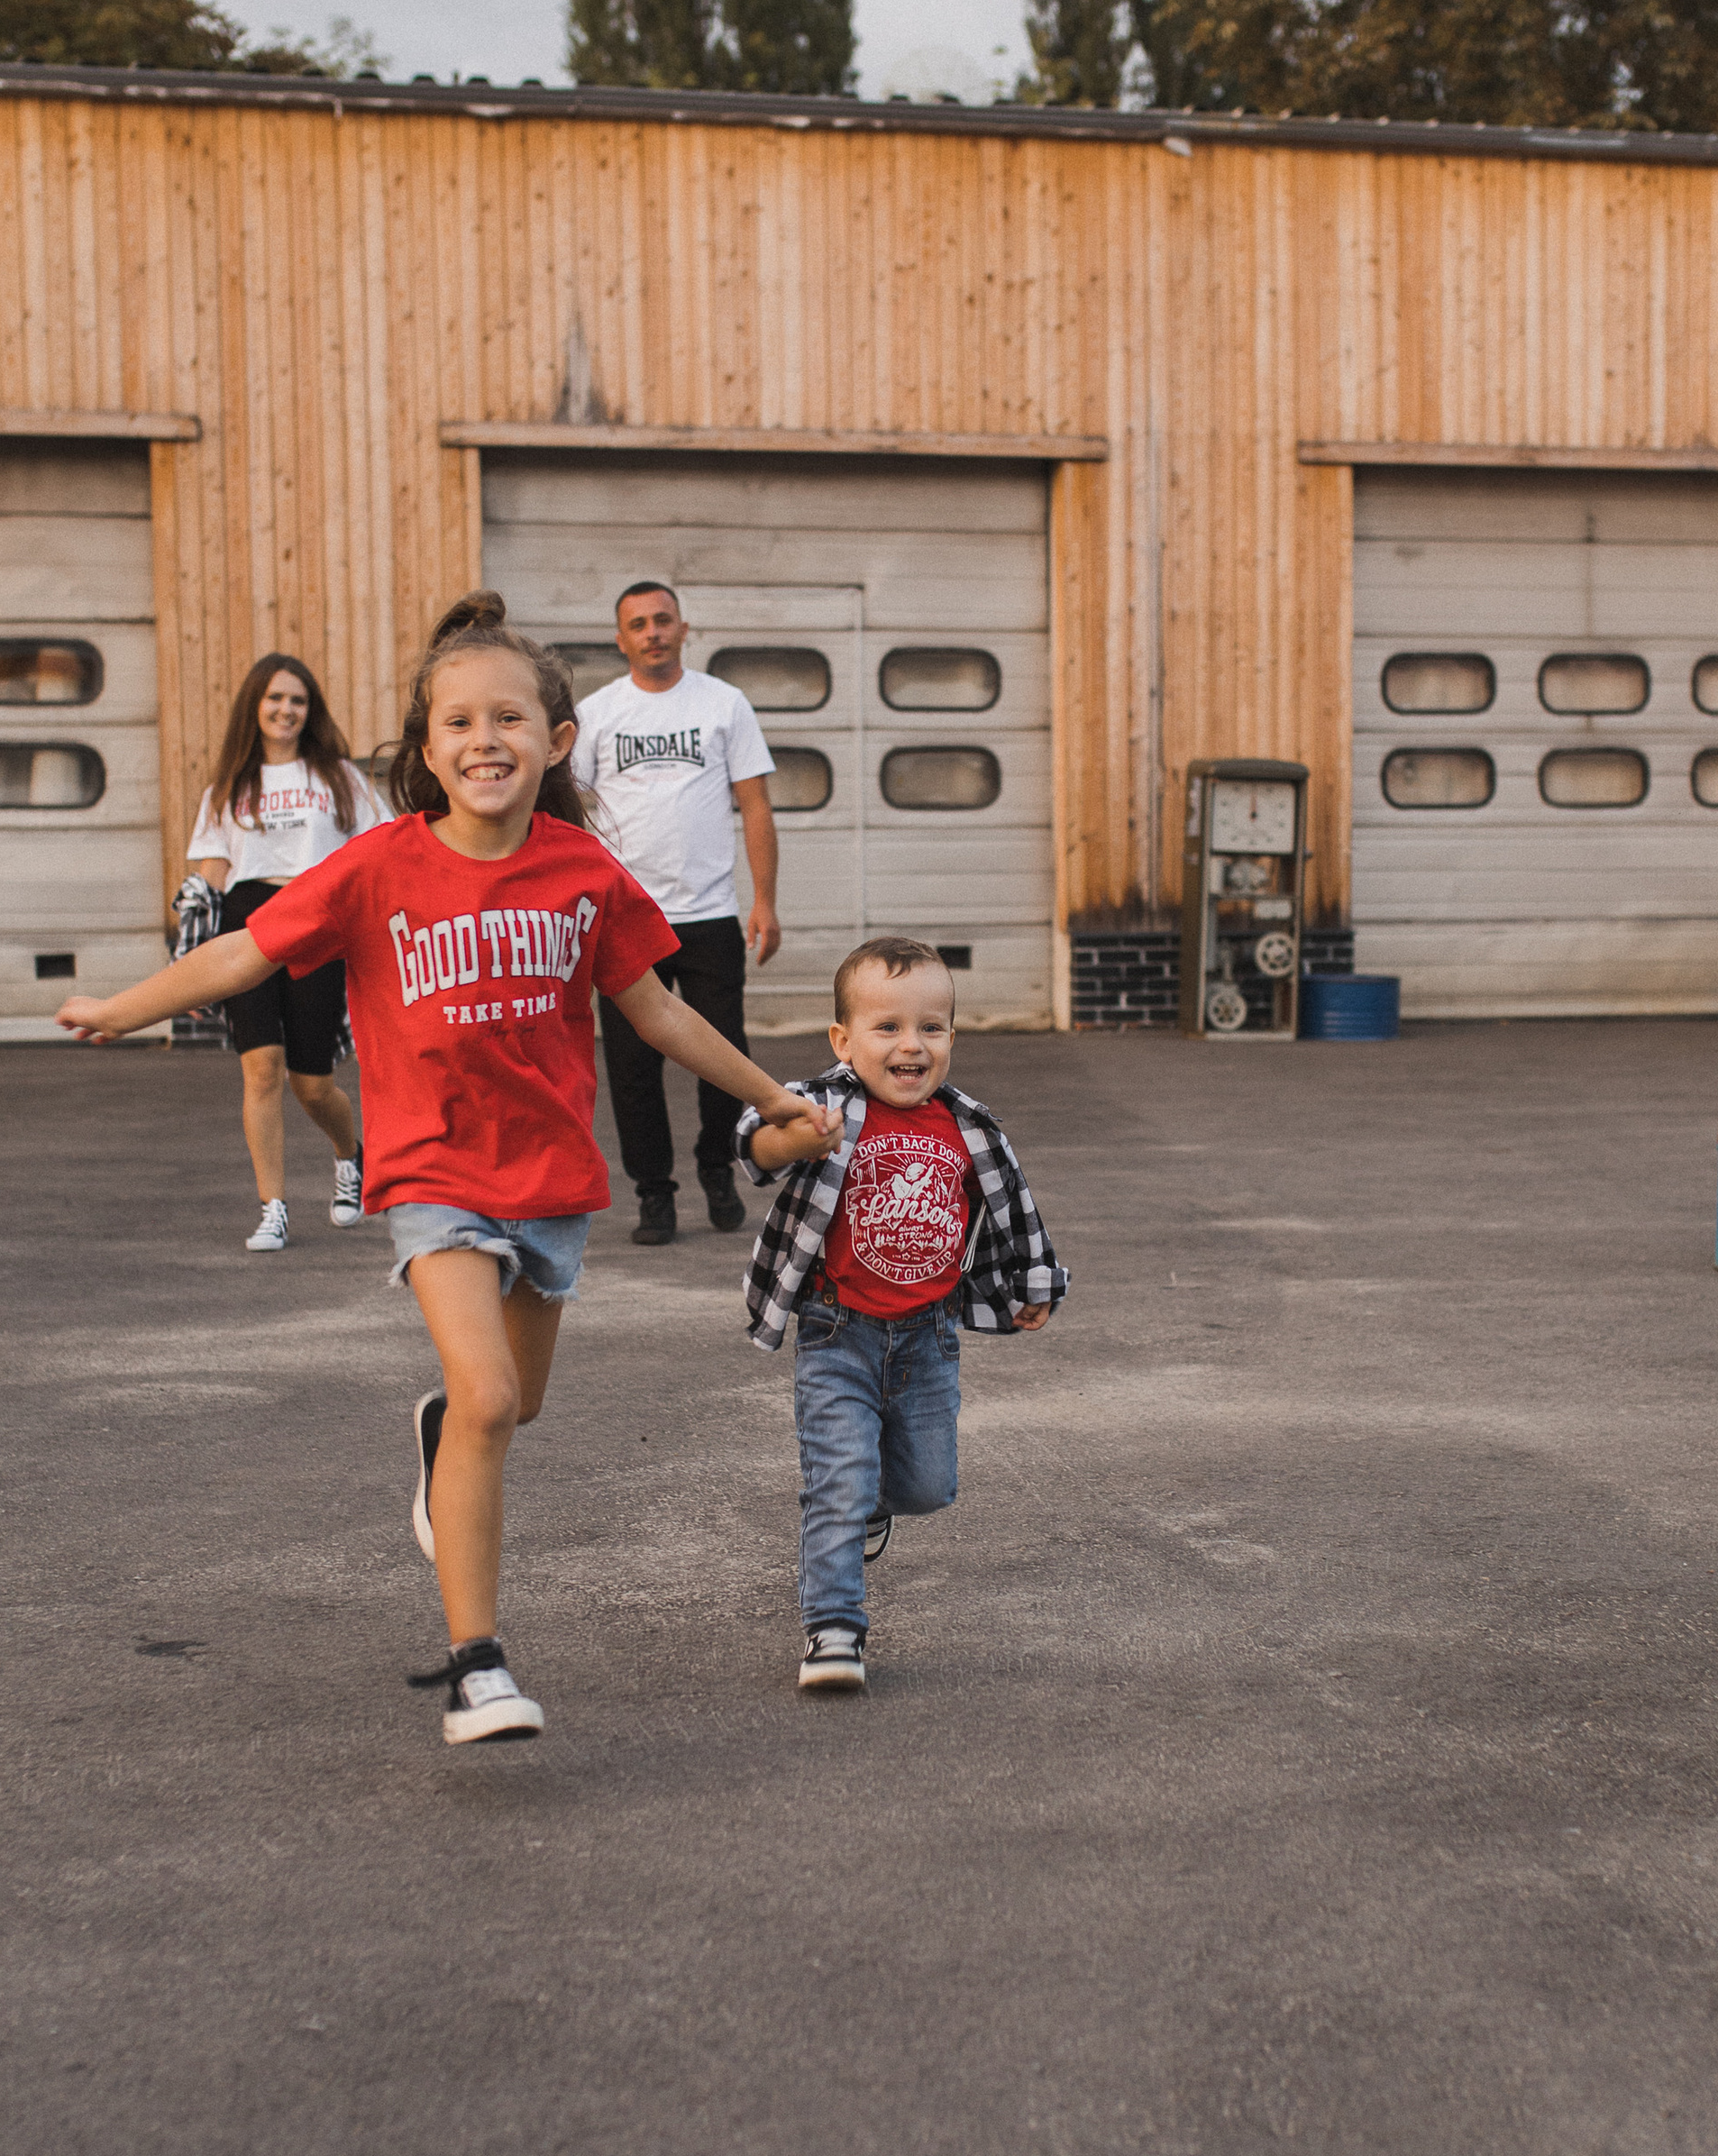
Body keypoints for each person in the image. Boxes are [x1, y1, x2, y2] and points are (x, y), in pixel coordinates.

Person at [58, 592, 838, 1748]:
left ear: (556, 742)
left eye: (509, 719)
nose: (485, 739)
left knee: (513, 1405)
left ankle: (441, 1440)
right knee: (488, 1397)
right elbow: (244, 950)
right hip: (430, 1169)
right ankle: (479, 1667)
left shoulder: (584, 871)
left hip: (552, 1176)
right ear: (426, 751)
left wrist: (771, 1096)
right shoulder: (377, 866)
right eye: (460, 722)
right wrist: (123, 1009)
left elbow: (660, 1014)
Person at [739, 936, 1068, 1696]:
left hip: (928, 1338)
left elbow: (1015, 1208)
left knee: (927, 1486)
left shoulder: (970, 1126)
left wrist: (1035, 1280)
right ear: (843, 1040)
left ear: (952, 1037)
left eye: (931, 1027)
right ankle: (834, 1629)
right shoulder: (826, 1108)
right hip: (837, 1332)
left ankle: (875, 1506)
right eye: (886, 1027)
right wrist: (794, 1135)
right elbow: (751, 1139)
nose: (911, 1045)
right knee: (838, 1483)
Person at [573, 580, 781, 1247]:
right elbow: (570, 813)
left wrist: (765, 900)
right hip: (626, 919)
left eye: (663, 620)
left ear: (684, 629)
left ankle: (717, 1168)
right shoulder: (597, 713)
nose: (653, 632)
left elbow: (755, 806)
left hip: (710, 912)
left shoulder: (724, 703)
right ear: (621, 639)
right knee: (633, 1068)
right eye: (638, 624)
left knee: (724, 1054)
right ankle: (654, 1193)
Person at [187, 652, 389, 1251]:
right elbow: (208, 881)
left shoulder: (339, 778)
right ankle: (272, 1208)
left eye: (297, 700)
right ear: (255, 706)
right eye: (275, 698)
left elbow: (379, 851)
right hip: (246, 922)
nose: (286, 709)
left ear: (310, 710)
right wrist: (192, 967)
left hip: (315, 921)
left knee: (312, 1083)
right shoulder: (229, 787)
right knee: (261, 1069)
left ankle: (349, 1155)